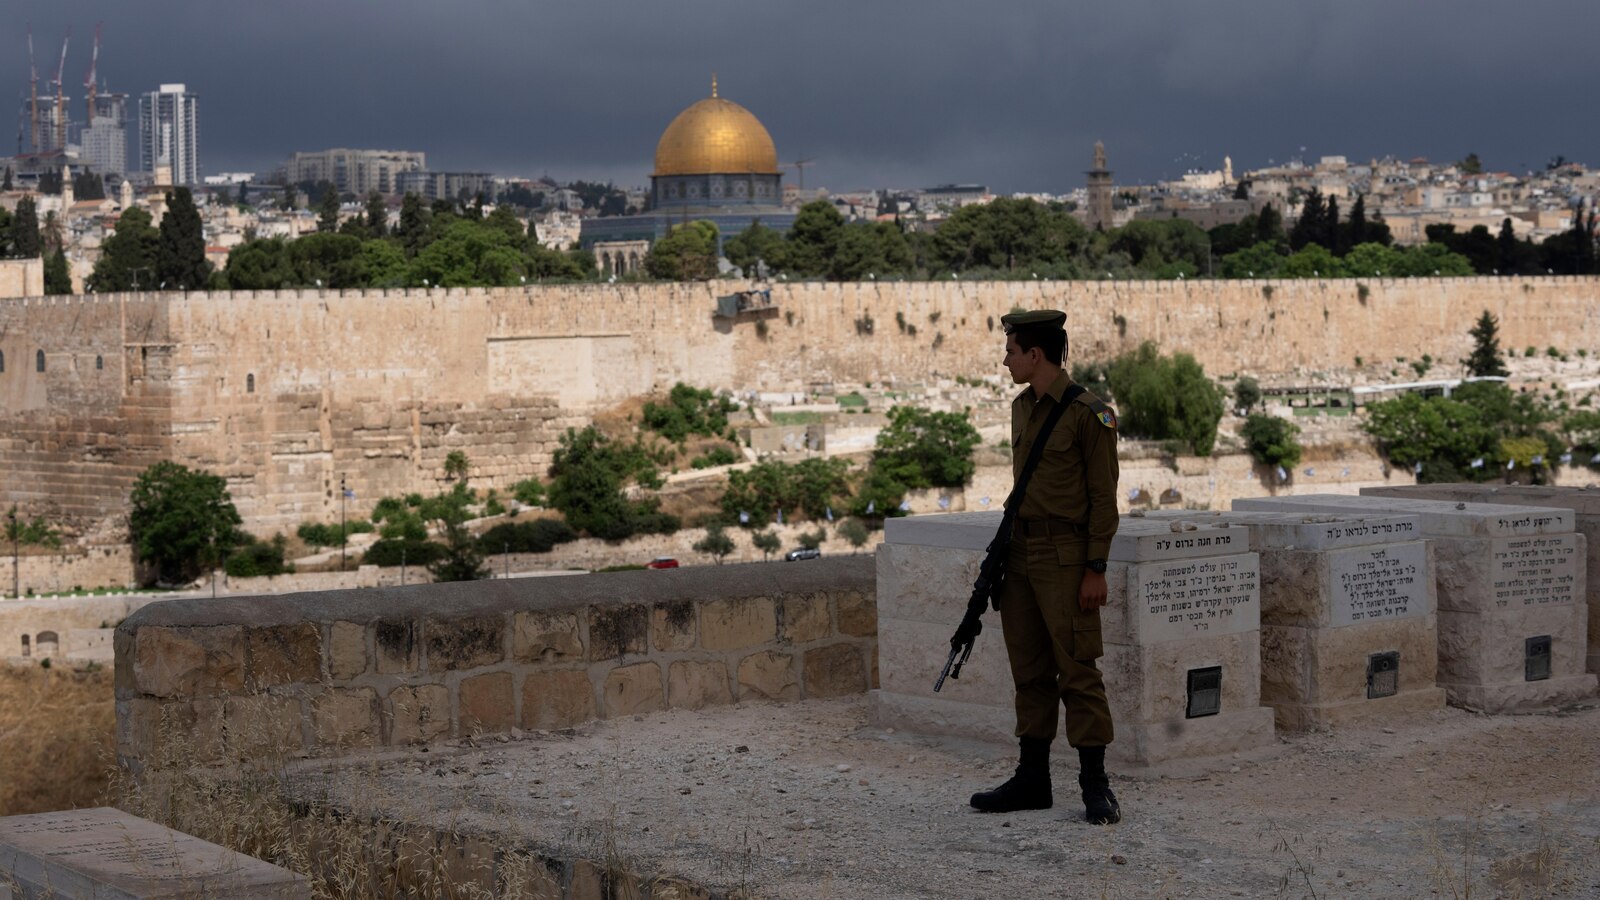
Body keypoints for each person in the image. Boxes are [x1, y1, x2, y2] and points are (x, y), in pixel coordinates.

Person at [969, 309, 1121, 825]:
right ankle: (1033, 778)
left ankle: (1095, 786)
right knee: (1030, 671)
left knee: (1078, 670)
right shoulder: (1020, 408)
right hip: (1021, 556)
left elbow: (1103, 499)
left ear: (1036, 354)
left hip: (1066, 558)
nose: (1005, 359)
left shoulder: (1090, 414)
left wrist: (1095, 566)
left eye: (1011, 350)